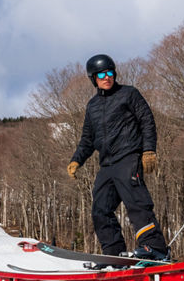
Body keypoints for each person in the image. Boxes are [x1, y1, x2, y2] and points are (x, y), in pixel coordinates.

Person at [67, 54, 169, 261]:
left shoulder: (129, 94)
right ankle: (114, 255)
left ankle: (155, 248)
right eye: (102, 74)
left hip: (128, 158)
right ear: (93, 78)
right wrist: (77, 160)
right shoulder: (92, 106)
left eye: (110, 72)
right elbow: (87, 138)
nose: (107, 77)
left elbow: (147, 121)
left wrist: (149, 150)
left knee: (136, 203)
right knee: (100, 209)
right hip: (107, 165)